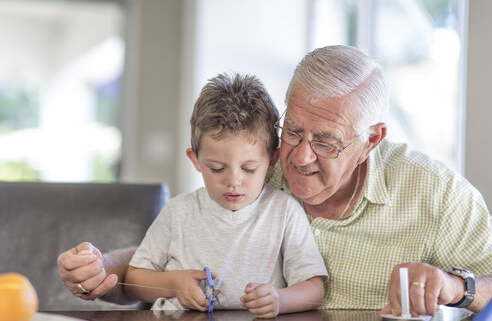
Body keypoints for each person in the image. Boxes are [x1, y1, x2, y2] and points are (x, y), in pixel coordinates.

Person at [58, 45, 492, 318]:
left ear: (371, 139)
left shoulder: (434, 190)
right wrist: (100, 270)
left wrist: (456, 287)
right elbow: (174, 254)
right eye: (293, 130)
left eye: (326, 142)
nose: (299, 157)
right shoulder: (256, 163)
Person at [77, 72, 328, 318]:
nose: (233, 181)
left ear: (272, 160)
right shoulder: (178, 212)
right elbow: (133, 280)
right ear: (195, 159)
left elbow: (314, 289)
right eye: (216, 168)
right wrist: (173, 283)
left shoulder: (284, 211)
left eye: (249, 169)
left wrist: (280, 300)